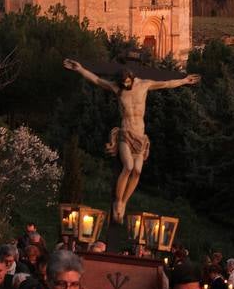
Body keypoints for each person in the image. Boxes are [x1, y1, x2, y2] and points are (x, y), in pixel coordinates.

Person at [63, 59, 200, 222]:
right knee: (128, 166)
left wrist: (184, 81)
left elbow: (166, 83)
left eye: (128, 82)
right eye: (124, 83)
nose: (126, 85)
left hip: (140, 136)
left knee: (137, 171)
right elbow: (97, 80)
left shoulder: (144, 85)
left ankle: (124, 202)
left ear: (133, 78)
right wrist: (80, 69)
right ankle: (118, 202)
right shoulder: (117, 88)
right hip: (126, 133)